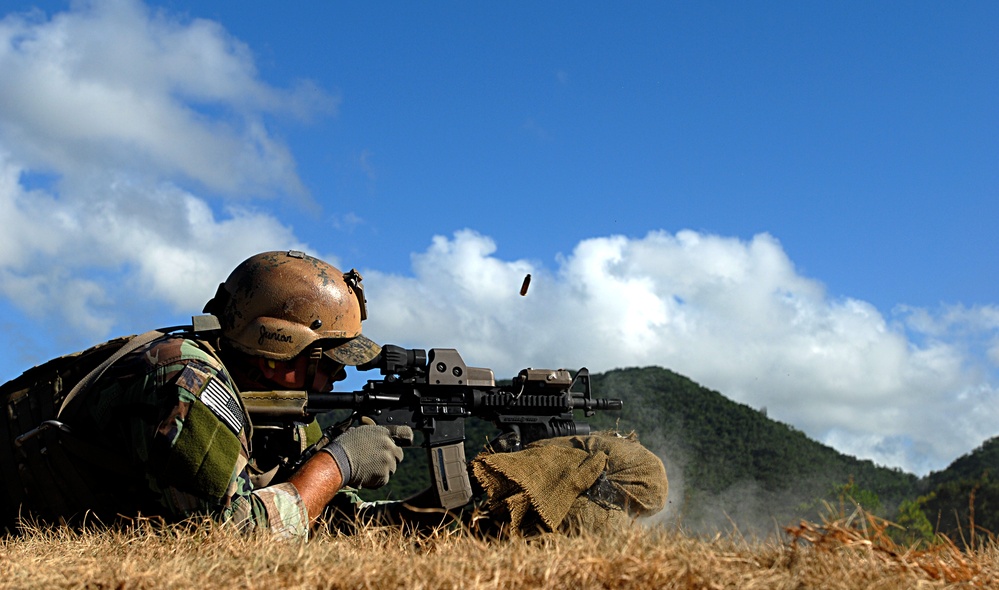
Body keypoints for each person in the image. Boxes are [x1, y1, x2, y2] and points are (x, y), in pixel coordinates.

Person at [2, 250, 408, 538]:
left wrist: (418, 516)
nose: (338, 377)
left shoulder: (277, 407)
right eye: (329, 362)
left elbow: (309, 515)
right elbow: (236, 537)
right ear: (275, 352)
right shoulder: (186, 381)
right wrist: (337, 464)